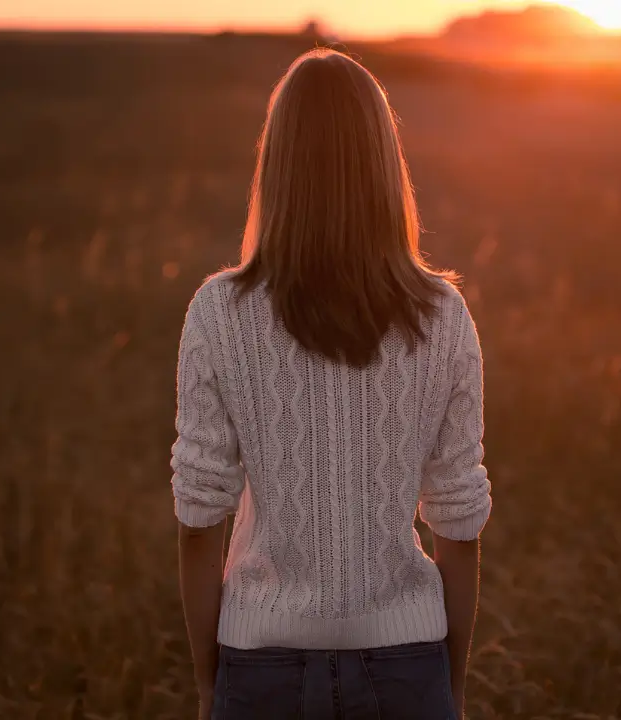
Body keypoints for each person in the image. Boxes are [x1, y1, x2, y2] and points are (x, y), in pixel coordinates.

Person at [171, 48, 492, 720]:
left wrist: (210, 685)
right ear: (384, 162)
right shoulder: (443, 316)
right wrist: (450, 689)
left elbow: (200, 521)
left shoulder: (218, 313)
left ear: (277, 163)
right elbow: (458, 526)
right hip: (407, 667)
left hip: (259, 670)